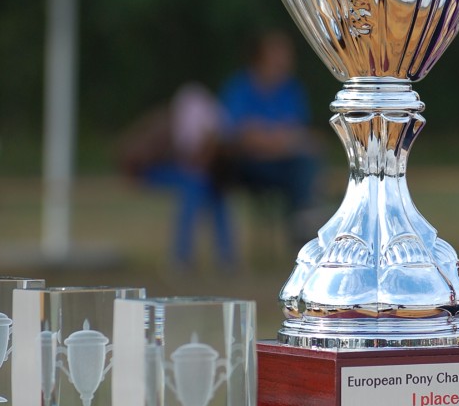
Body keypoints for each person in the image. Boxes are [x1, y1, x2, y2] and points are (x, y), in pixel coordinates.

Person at [217, 30, 322, 240]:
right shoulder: (240, 87)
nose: (285, 59)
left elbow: (299, 134)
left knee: (306, 163)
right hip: (247, 167)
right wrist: (278, 140)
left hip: (282, 165)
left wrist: (266, 137)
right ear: (261, 56)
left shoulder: (291, 89)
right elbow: (239, 135)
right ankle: (304, 230)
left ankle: (304, 225)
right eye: (279, 53)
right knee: (302, 167)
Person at [119, 83, 234, 267]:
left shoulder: (208, 118)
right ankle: (187, 256)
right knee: (195, 185)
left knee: (209, 188)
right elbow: (135, 156)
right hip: (150, 169)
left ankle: (211, 258)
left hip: (185, 172)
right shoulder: (182, 124)